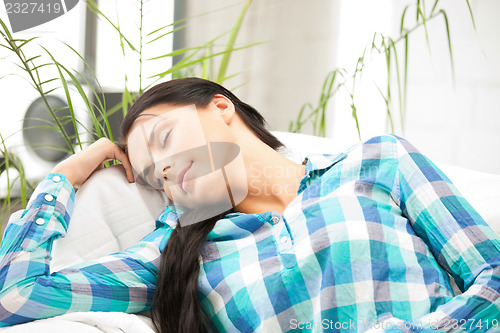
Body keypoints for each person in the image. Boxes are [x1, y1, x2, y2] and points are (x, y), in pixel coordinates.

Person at [0, 78, 499, 333]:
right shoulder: (174, 255)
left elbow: (493, 277)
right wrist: (68, 172)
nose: (166, 170)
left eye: (164, 137)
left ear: (221, 107)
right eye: (153, 176)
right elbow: (16, 297)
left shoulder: (378, 162)